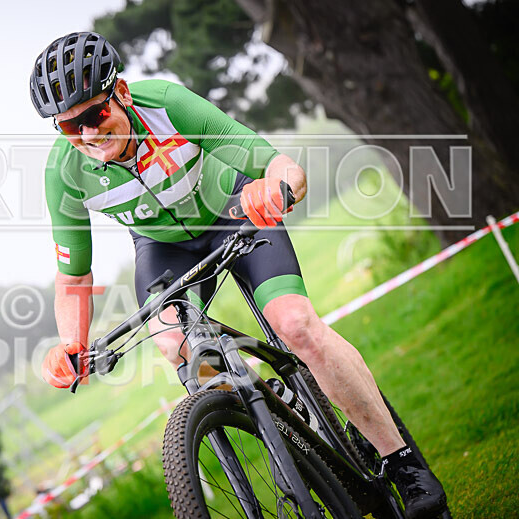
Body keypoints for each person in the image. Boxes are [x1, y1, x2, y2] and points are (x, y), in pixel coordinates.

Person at [30, 31, 447, 518]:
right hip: (164, 249)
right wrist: (72, 345)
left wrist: (278, 188)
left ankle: (402, 463)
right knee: (173, 344)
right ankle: (273, 417)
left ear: (120, 92)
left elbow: (280, 166)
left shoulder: (166, 103)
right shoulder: (63, 172)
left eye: (94, 115)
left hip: (235, 209)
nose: (86, 135)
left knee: (295, 325)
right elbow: (73, 276)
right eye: (68, 127)